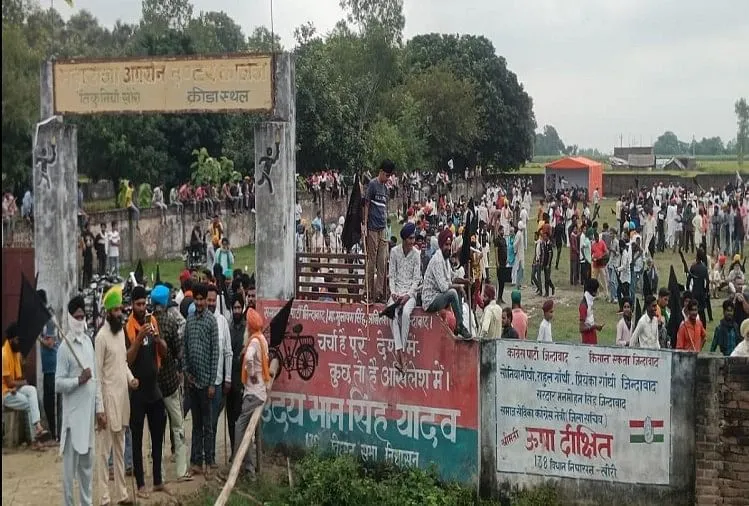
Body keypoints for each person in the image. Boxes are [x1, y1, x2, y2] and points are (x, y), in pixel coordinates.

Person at [56, 296, 103, 506]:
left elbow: (95, 381)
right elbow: (58, 384)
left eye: (82, 316)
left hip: (88, 420)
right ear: (69, 318)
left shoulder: (88, 343)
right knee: (69, 475)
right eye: (76, 317)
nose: (80, 320)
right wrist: (78, 380)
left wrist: (99, 409)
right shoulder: (64, 348)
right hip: (72, 422)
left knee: (86, 470)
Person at [95, 287, 138, 506]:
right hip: (106, 401)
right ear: (108, 312)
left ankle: (121, 494)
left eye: (121, 309)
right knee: (104, 453)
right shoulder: (100, 337)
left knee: (121, 450)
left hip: (122, 399)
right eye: (117, 310)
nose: (121, 313)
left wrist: (131, 378)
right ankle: (104, 498)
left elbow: (122, 363)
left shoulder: (121, 333)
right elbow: (97, 374)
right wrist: (99, 409)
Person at [125, 286, 168, 498]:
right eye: (138, 304)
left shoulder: (153, 321)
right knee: (138, 438)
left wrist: (157, 338)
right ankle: (141, 484)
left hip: (154, 390)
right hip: (137, 392)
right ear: (132, 305)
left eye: (144, 304)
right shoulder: (128, 327)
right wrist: (139, 337)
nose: (142, 308)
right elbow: (127, 359)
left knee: (158, 434)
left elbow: (164, 352)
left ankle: (158, 480)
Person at [151, 285, 192, 482]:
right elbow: (177, 351)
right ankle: (181, 470)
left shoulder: (147, 322)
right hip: (169, 382)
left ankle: (159, 474)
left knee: (155, 432)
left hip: (152, 385)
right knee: (178, 426)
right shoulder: (168, 321)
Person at [183, 283, 220, 477]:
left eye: (201, 299)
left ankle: (210, 460)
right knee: (196, 425)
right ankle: (196, 462)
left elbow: (216, 354)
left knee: (208, 425)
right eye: (196, 299)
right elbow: (185, 348)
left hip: (207, 383)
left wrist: (213, 382)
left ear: (206, 300)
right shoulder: (190, 320)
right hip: (193, 382)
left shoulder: (211, 322)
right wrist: (186, 371)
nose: (199, 302)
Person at [232, 309, 271, 480]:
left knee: (240, 427)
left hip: (253, 394)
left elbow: (248, 358)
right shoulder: (262, 339)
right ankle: (248, 466)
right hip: (260, 392)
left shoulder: (254, 341)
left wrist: (252, 374)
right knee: (248, 430)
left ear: (250, 325)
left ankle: (238, 462)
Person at [2, 322, 49, 448]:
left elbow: (18, 379)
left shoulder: (16, 352)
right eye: (17, 339)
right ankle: (35, 440)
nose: (19, 342)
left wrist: (22, 368)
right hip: (5, 393)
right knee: (29, 404)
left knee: (32, 390)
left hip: (14, 390)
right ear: (11, 340)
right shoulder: (4, 355)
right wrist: (19, 384)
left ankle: (38, 427)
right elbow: (9, 383)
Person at [421, 229, 472, 340]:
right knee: (453, 292)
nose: (448, 248)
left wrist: (465, 281)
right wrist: (458, 287)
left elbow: (451, 277)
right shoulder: (438, 260)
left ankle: (460, 323)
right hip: (430, 300)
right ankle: (460, 325)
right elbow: (444, 287)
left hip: (438, 296)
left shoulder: (445, 259)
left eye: (449, 245)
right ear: (441, 244)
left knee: (456, 291)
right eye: (446, 245)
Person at [206, 284, 233, 470]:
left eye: (213, 301)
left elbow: (228, 352)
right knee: (203, 422)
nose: (210, 303)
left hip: (217, 381)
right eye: (208, 300)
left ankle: (212, 457)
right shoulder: (199, 320)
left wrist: (228, 378)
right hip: (202, 381)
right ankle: (202, 458)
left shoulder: (222, 321)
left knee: (214, 421)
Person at [386, 223, 421, 367]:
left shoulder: (416, 255)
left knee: (406, 314)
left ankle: (402, 350)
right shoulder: (394, 252)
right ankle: (400, 352)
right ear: (404, 239)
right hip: (396, 292)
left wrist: (407, 296)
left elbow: (416, 279)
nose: (413, 242)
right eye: (410, 239)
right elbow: (392, 276)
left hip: (410, 294)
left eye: (414, 238)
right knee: (391, 313)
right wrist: (393, 293)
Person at [363, 160, 395, 302]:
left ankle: (379, 293)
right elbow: (367, 204)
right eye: (386, 175)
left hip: (382, 229)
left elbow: (384, 208)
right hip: (372, 228)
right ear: (381, 172)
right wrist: (364, 223)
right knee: (372, 260)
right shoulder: (373, 185)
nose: (388, 178)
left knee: (382, 261)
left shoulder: (385, 189)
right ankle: (368, 292)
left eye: (389, 176)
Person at [38, 289, 61, 441]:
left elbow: (50, 342)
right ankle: (53, 432)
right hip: (47, 367)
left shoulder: (49, 319)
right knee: (48, 400)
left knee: (52, 401)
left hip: (53, 365)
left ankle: (56, 433)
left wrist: (37, 337)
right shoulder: (42, 319)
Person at [226, 294, 246, 460]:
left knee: (240, 419)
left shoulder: (247, 328)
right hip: (229, 380)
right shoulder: (229, 327)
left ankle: (240, 452)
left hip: (242, 380)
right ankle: (233, 450)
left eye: (240, 307)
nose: (237, 311)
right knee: (230, 419)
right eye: (235, 308)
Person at [579, 279, 604, 345]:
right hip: (587, 338)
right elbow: (581, 328)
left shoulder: (589, 302)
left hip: (592, 334)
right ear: (593, 291)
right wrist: (594, 326)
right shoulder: (584, 306)